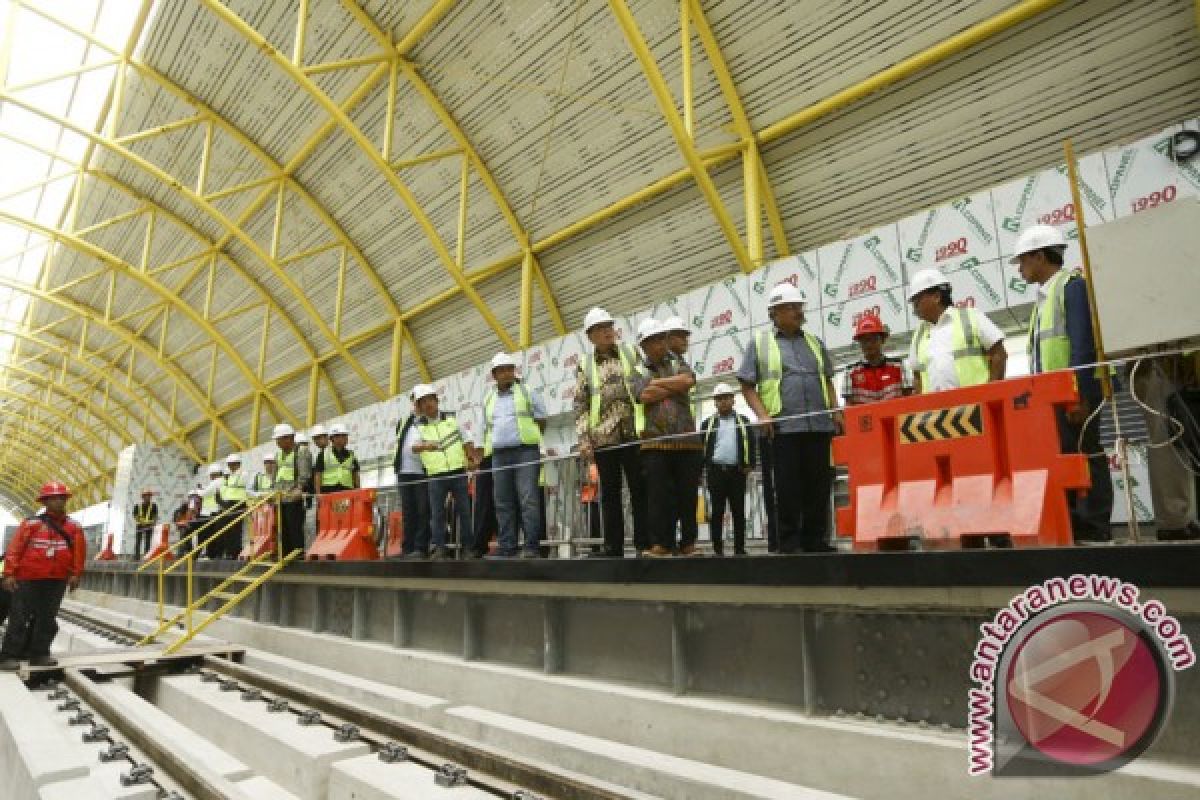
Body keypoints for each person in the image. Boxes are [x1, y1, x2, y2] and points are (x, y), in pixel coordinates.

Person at [1014, 224, 1114, 544]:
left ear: (1040, 256)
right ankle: (1074, 522)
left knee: (1087, 453)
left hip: (1074, 392)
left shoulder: (1071, 286)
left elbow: (1082, 344)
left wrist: (1081, 395)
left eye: (1023, 260)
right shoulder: (1043, 298)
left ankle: (1095, 526)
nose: (1020, 268)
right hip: (1053, 396)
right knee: (1067, 457)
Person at [739, 283, 840, 554]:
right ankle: (788, 542)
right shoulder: (759, 344)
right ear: (775, 312)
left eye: (799, 306)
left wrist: (835, 409)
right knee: (787, 489)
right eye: (791, 307)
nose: (798, 311)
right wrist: (761, 415)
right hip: (782, 428)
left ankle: (815, 540)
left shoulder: (814, 343)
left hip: (818, 426)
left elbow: (828, 380)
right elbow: (747, 385)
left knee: (818, 486)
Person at [573, 307, 649, 557]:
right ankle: (613, 547)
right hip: (604, 438)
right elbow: (580, 404)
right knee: (610, 495)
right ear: (591, 335)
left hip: (633, 432)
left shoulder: (630, 353)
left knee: (640, 489)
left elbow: (645, 386)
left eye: (609, 326)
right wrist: (584, 439)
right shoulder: (585, 364)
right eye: (601, 328)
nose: (608, 331)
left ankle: (644, 544)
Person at [629, 319, 700, 557]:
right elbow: (644, 394)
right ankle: (662, 544)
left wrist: (657, 383)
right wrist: (674, 385)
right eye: (654, 341)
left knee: (688, 495)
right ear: (644, 346)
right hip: (654, 442)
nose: (660, 344)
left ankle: (688, 543)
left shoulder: (679, 361)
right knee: (658, 497)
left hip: (687, 440)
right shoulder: (637, 370)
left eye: (661, 338)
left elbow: (688, 381)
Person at [0, 482, 86, 670]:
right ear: (45, 501)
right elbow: (15, 550)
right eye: (54, 498)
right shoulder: (31, 524)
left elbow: (79, 553)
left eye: (62, 497)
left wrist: (76, 574)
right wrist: (9, 574)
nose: (59, 501)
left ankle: (39, 654)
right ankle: (8, 655)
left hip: (57, 580)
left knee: (47, 618)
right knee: (19, 617)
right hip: (27, 579)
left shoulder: (74, 527)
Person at [480, 352, 548, 558]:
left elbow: (542, 419)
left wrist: (531, 439)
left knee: (528, 500)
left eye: (509, 369)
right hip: (499, 456)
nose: (506, 373)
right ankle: (507, 546)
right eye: (501, 370)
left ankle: (531, 547)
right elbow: (486, 428)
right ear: (494, 374)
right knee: (502, 502)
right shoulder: (488, 398)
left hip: (525, 452)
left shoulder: (528, 391)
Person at [906, 268, 1007, 393]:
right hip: (935, 411)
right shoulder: (918, 334)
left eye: (917, 302)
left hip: (974, 407)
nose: (914, 310)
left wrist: (991, 395)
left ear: (936, 297)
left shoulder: (971, 316)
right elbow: (917, 376)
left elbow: (999, 355)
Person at [412, 385, 472, 560]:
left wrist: (470, 458)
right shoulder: (418, 426)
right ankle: (439, 548)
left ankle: (468, 547)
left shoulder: (452, 419)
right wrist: (425, 445)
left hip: (457, 471)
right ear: (420, 407)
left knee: (464, 511)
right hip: (435, 475)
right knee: (437, 513)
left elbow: (467, 439)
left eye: (430, 400)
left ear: (437, 401)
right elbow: (414, 447)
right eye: (423, 402)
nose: (428, 404)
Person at [700, 383, 757, 555]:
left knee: (738, 511)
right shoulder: (707, 424)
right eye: (719, 399)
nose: (723, 401)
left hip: (737, 472)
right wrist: (701, 470)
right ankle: (718, 550)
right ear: (715, 402)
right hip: (716, 472)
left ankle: (739, 548)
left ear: (733, 400)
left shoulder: (744, 422)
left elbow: (751, 444)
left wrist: (750, 464)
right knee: (716, 512)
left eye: (726, 398)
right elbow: (701, 447)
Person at [393, 391, 432, 560]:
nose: (417, 405)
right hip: (404, 472)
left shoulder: (431, 421)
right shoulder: (404, 422)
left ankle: (420, 547)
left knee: (423, 510)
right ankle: (407, 548)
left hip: (422, 472)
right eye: (415, 402)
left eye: (421, 402)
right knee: (408, 512)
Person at [843, 316, 906, 406]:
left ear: (882, 340)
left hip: (896, 419)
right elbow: (848, 408)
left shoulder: (900, 366)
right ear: (859, 343)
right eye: (864, 340)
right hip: (865, 420)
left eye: (873, 339)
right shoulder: (850, 372)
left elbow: (910, 400)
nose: (869, 344)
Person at [273, 423, 312, 557]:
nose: (277, 443)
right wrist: (273, 491)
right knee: (282, 528)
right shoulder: (278, 455)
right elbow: (275, 475)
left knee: (294, 526)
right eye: (277, 440)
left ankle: (297, 554)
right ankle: (285, 554)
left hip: (293, 496)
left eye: (279, 439)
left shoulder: (301, 452)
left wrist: (299, 488)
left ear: (289, 438)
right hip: (280, 497)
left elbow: (304, 473)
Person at [213, 454, 248, 559]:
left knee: (235, 530)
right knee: (226, 530)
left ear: (239, 464)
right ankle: (228, 552)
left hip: (238, 504)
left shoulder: (243, 474)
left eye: (233, 464)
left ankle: (235, 553)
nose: (231, 467)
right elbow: (223, 492)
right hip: (227, 505)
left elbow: (242, 487)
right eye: (230, 465)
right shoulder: (228, 478)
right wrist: (223, 504)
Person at [314, 423, 360, 495]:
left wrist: (358, 491)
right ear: (333, 438)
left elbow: (355, 475)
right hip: (328, 490)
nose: (345, 438)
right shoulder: (323, 454)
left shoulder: (351, 455)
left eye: (345, 436)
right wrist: (318, 493)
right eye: (343, 436)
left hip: (347, 490)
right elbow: (318, 475)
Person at [131, 489, 158, 559]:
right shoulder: (137, 505)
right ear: (143, 497)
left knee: (148, 542)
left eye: (149, 496)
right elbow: (135, 515)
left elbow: (155, 516)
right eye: (146, 496)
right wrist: (141, 522)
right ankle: (136, 557)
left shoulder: (154, 505)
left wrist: (153, 524)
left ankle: (146, 556)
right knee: (138, 541)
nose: (148, 497)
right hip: (140, 525)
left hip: (149, 526)